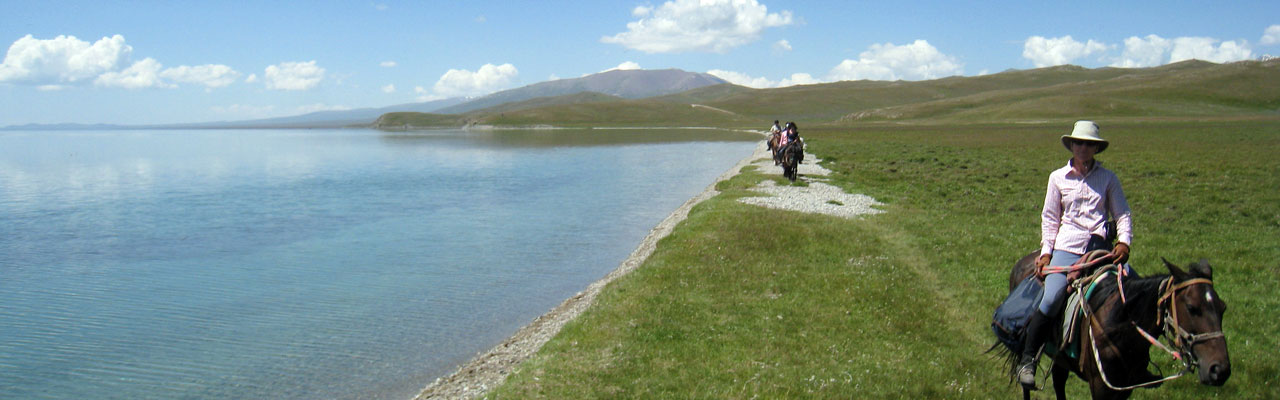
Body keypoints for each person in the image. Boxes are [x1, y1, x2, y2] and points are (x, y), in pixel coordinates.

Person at [1018, 120, 1133, 389]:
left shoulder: (1109, 179)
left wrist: (1124, 243)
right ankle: (1028, 361)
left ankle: (1137, 361)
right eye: (1078, 143)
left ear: (1095, 149)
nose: (1083, 148)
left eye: (1088, 144)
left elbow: (1122, 214)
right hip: (1067, 248)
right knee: (1052, 297)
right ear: (1071, 145)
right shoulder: (1057, 178)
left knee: (1132, 293)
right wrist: (1047, 253)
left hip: (1100, 250)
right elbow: (1050, 218)